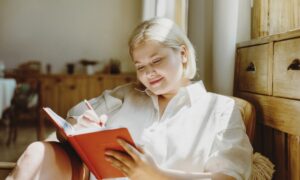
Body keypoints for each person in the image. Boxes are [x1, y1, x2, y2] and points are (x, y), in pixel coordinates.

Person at [7, 17, 252, 180]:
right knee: (36, 152)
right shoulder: (126, 94)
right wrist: (80, 126)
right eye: (140, 66)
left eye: (156, 61)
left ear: (183, 54)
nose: (148, 73)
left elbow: (229, 177)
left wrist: (155, 174)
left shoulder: (221, 109)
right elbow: (71, 121)